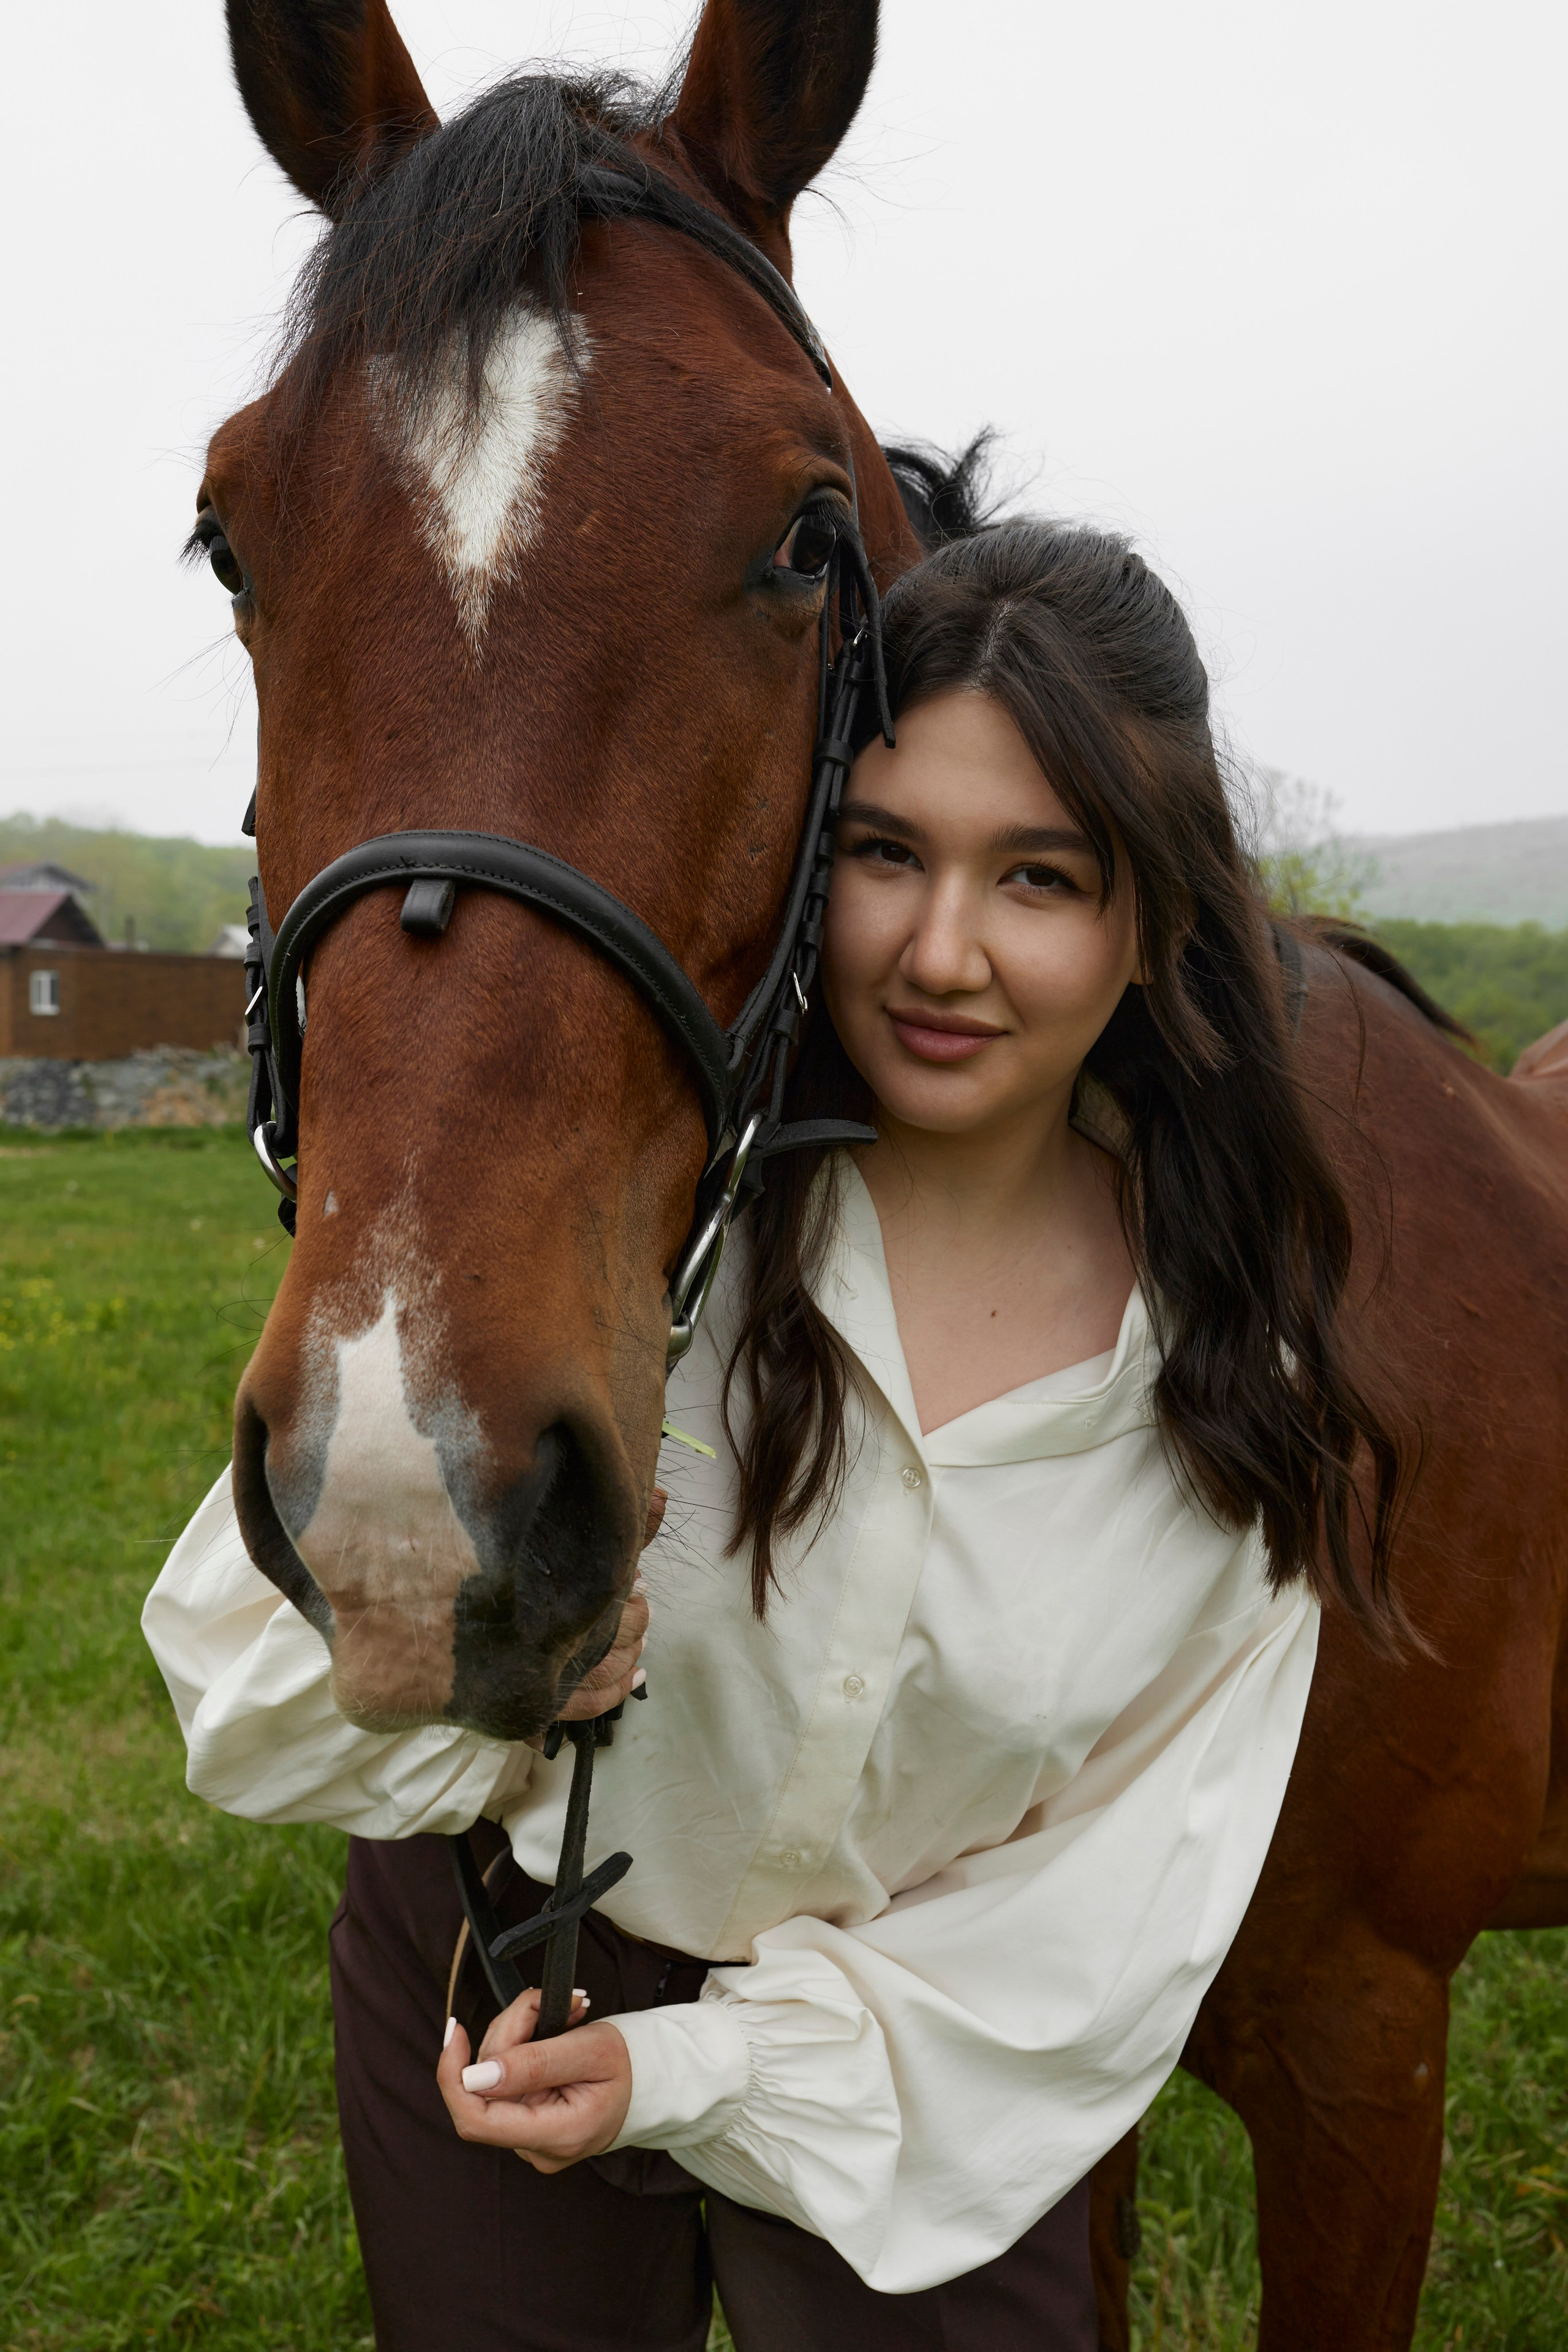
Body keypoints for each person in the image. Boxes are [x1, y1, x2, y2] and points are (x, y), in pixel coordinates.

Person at [144, 493, 1402, 2352]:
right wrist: (479, 1674)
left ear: (1152, 925)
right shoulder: (650, 1229)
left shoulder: (1226, 1392)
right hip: (496, 1985)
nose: (943, 952)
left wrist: (704, 2073)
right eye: (890, 852)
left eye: (1041, 878)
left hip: (922, 2104)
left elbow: (1096, 1921)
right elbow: (248, 1678)